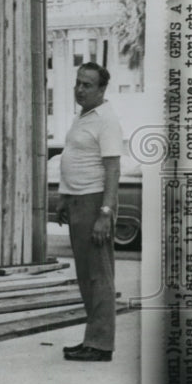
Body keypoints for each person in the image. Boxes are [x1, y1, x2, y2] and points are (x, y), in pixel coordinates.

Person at [56, 62, 122, 362]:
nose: (80, 89)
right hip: (78, 200)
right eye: (78, 83)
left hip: (95, 202)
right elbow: (75, 157)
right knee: (86, 276)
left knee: (99, 276)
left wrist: (105, 213)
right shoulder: (83, 116)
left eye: (87, 85)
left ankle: (101, 344)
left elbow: (112, 169)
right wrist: (65, 197)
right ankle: (92, 339)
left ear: (102, 89)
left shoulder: (106, 119)